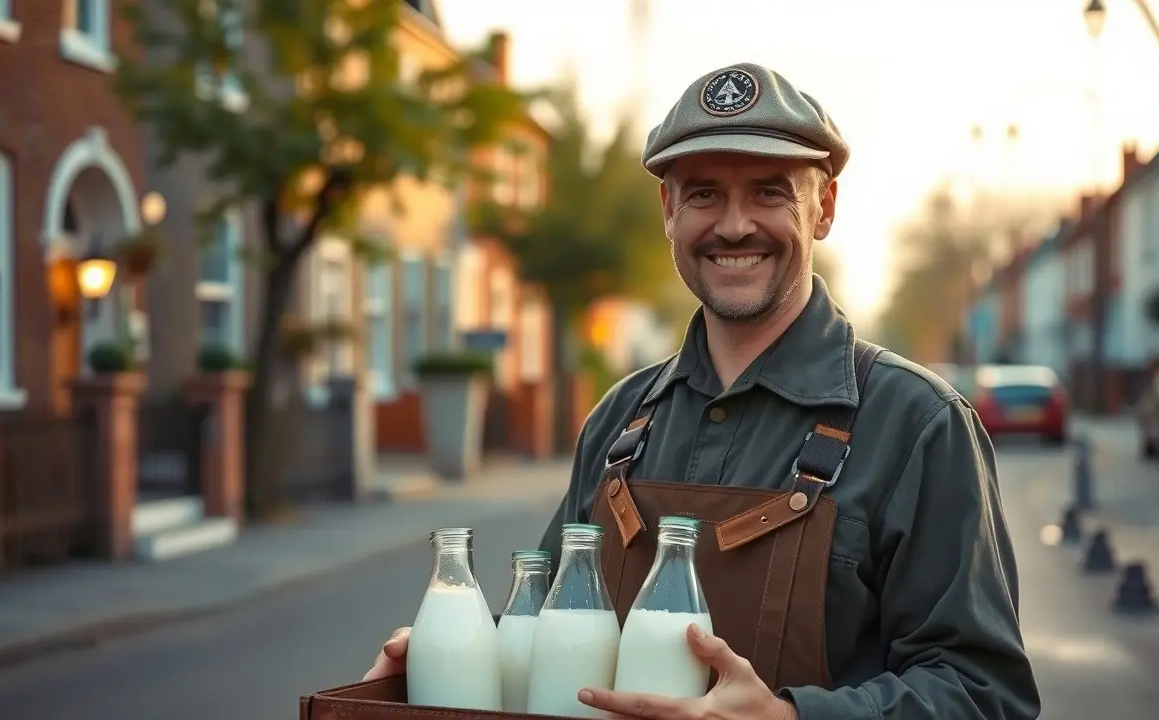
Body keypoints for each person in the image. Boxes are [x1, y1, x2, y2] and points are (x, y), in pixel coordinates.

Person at [365, 62, 1040, 720]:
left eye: (770, 192)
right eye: (704, 193)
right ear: (669, 210)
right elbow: (540, 624)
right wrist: (446, 658)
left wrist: (786, 717)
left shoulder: (918, 423)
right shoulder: (618, 422)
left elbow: (984, 694)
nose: (734, 224)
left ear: (824, 207)